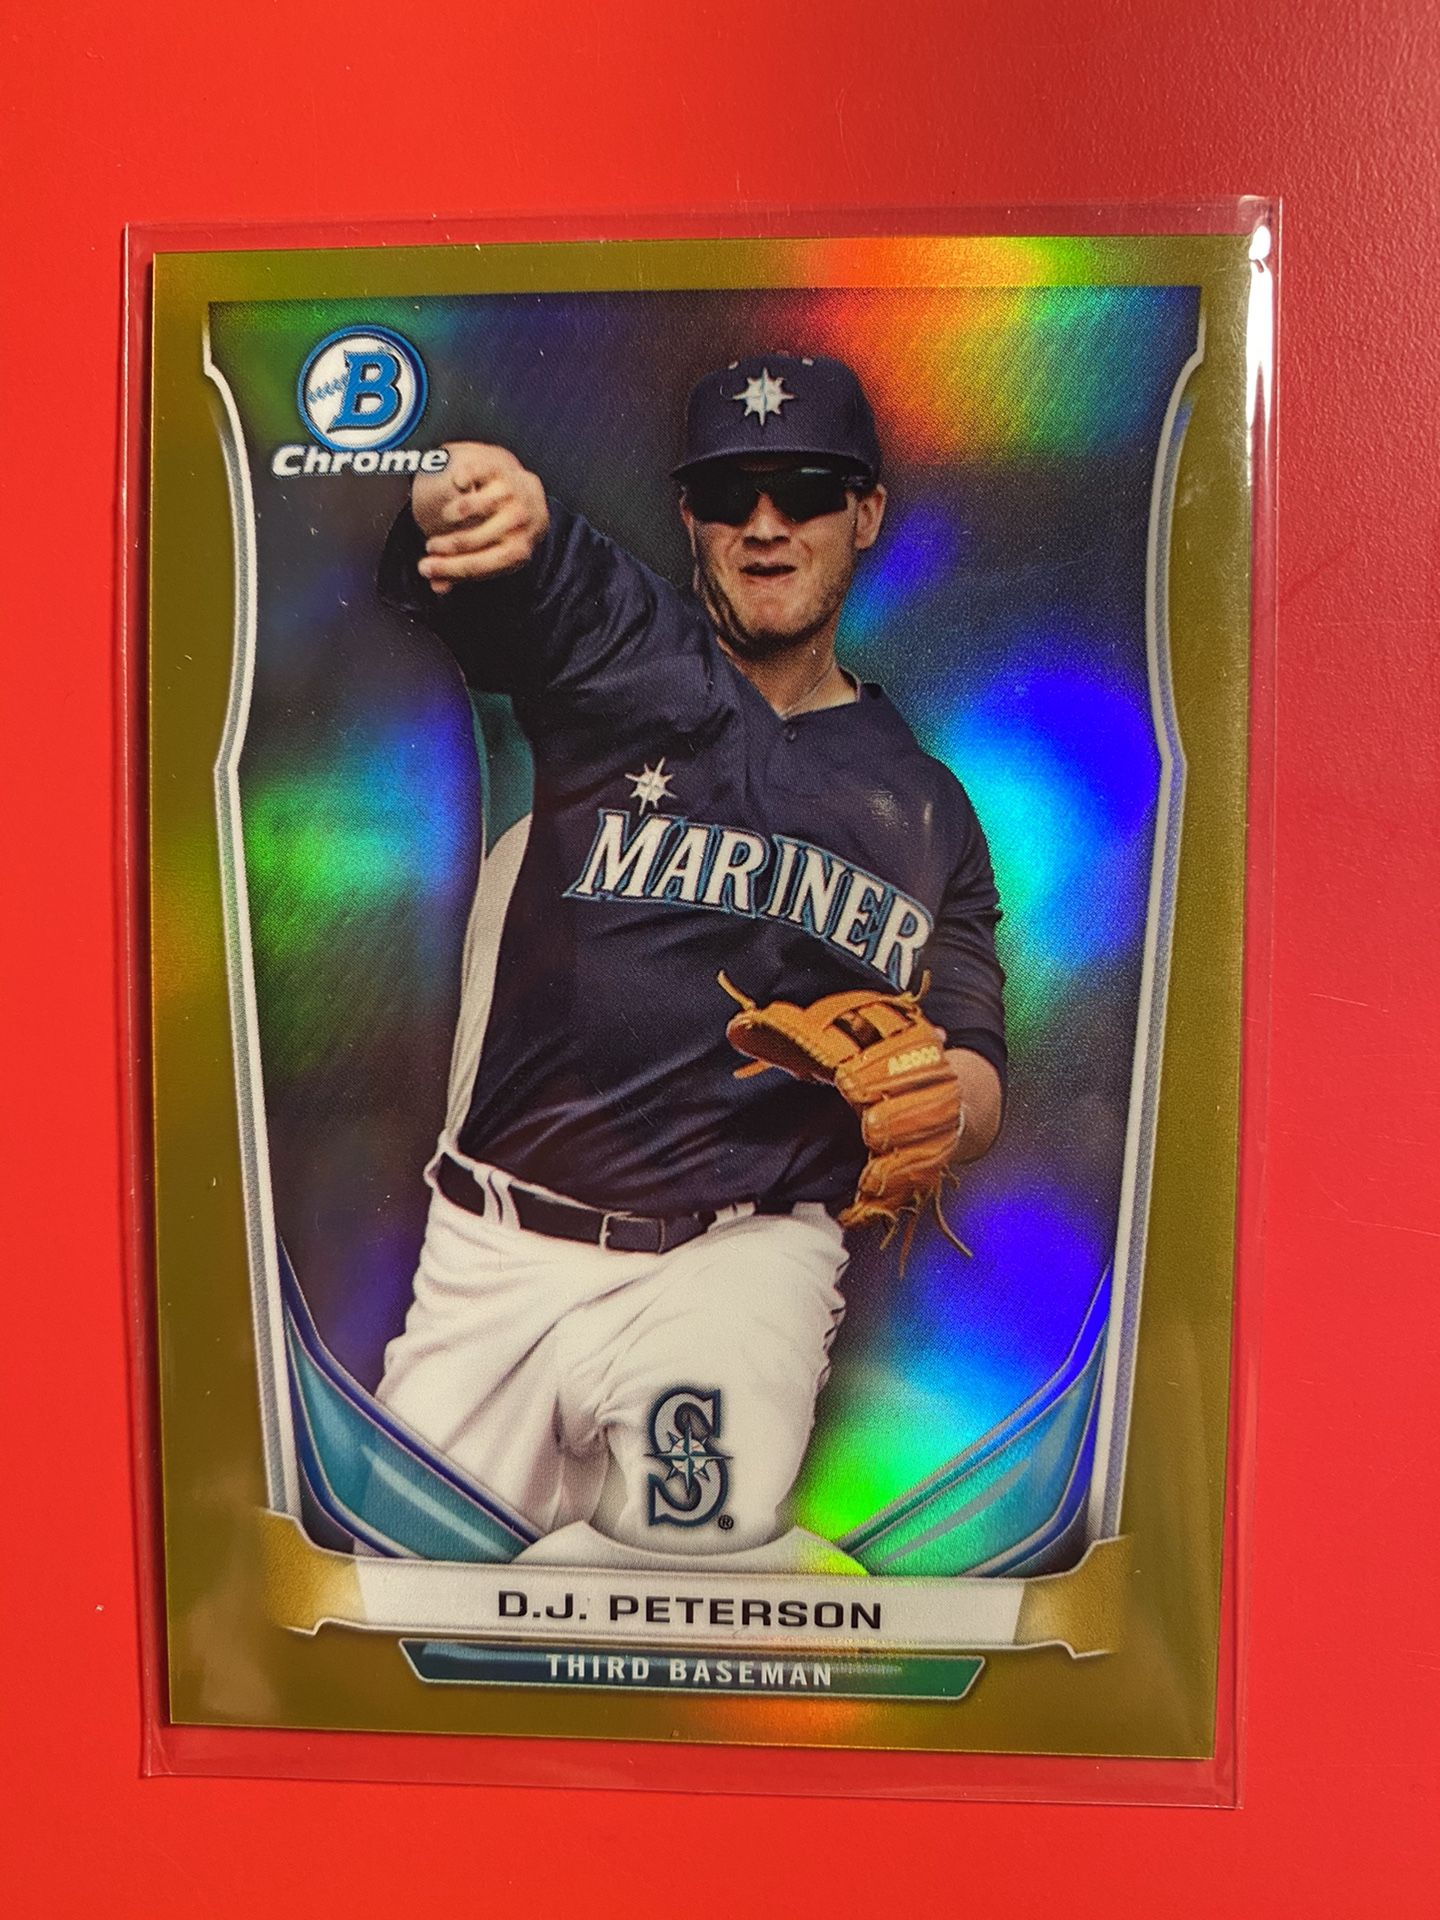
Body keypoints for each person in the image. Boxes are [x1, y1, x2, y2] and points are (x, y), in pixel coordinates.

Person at [373, 352, 1006, 1569]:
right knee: (393, 1594)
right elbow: (511, 553)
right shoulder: (625, 658)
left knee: (678, 1572)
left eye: (805, 490)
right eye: (729, 494)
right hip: (498, 1249)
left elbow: (975, 1070)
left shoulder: (930, 811)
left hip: (740, 1264)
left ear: (867, 511)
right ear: (689, 516)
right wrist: (464, 490)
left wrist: (943, 1099)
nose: (765, 525)